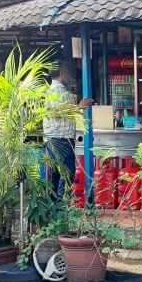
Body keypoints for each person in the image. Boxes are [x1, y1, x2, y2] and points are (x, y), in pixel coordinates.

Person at [43, 62, 93, 201]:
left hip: (53, 139)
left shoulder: (50, 90)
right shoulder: (58, 91)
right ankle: (61, 208)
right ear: (62, 73)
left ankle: (54, 209)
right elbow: (55, 113)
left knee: (55, 175)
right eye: (67, 72)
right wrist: (79, 106)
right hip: (61, 139)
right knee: (67, 173)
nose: (69, 75)